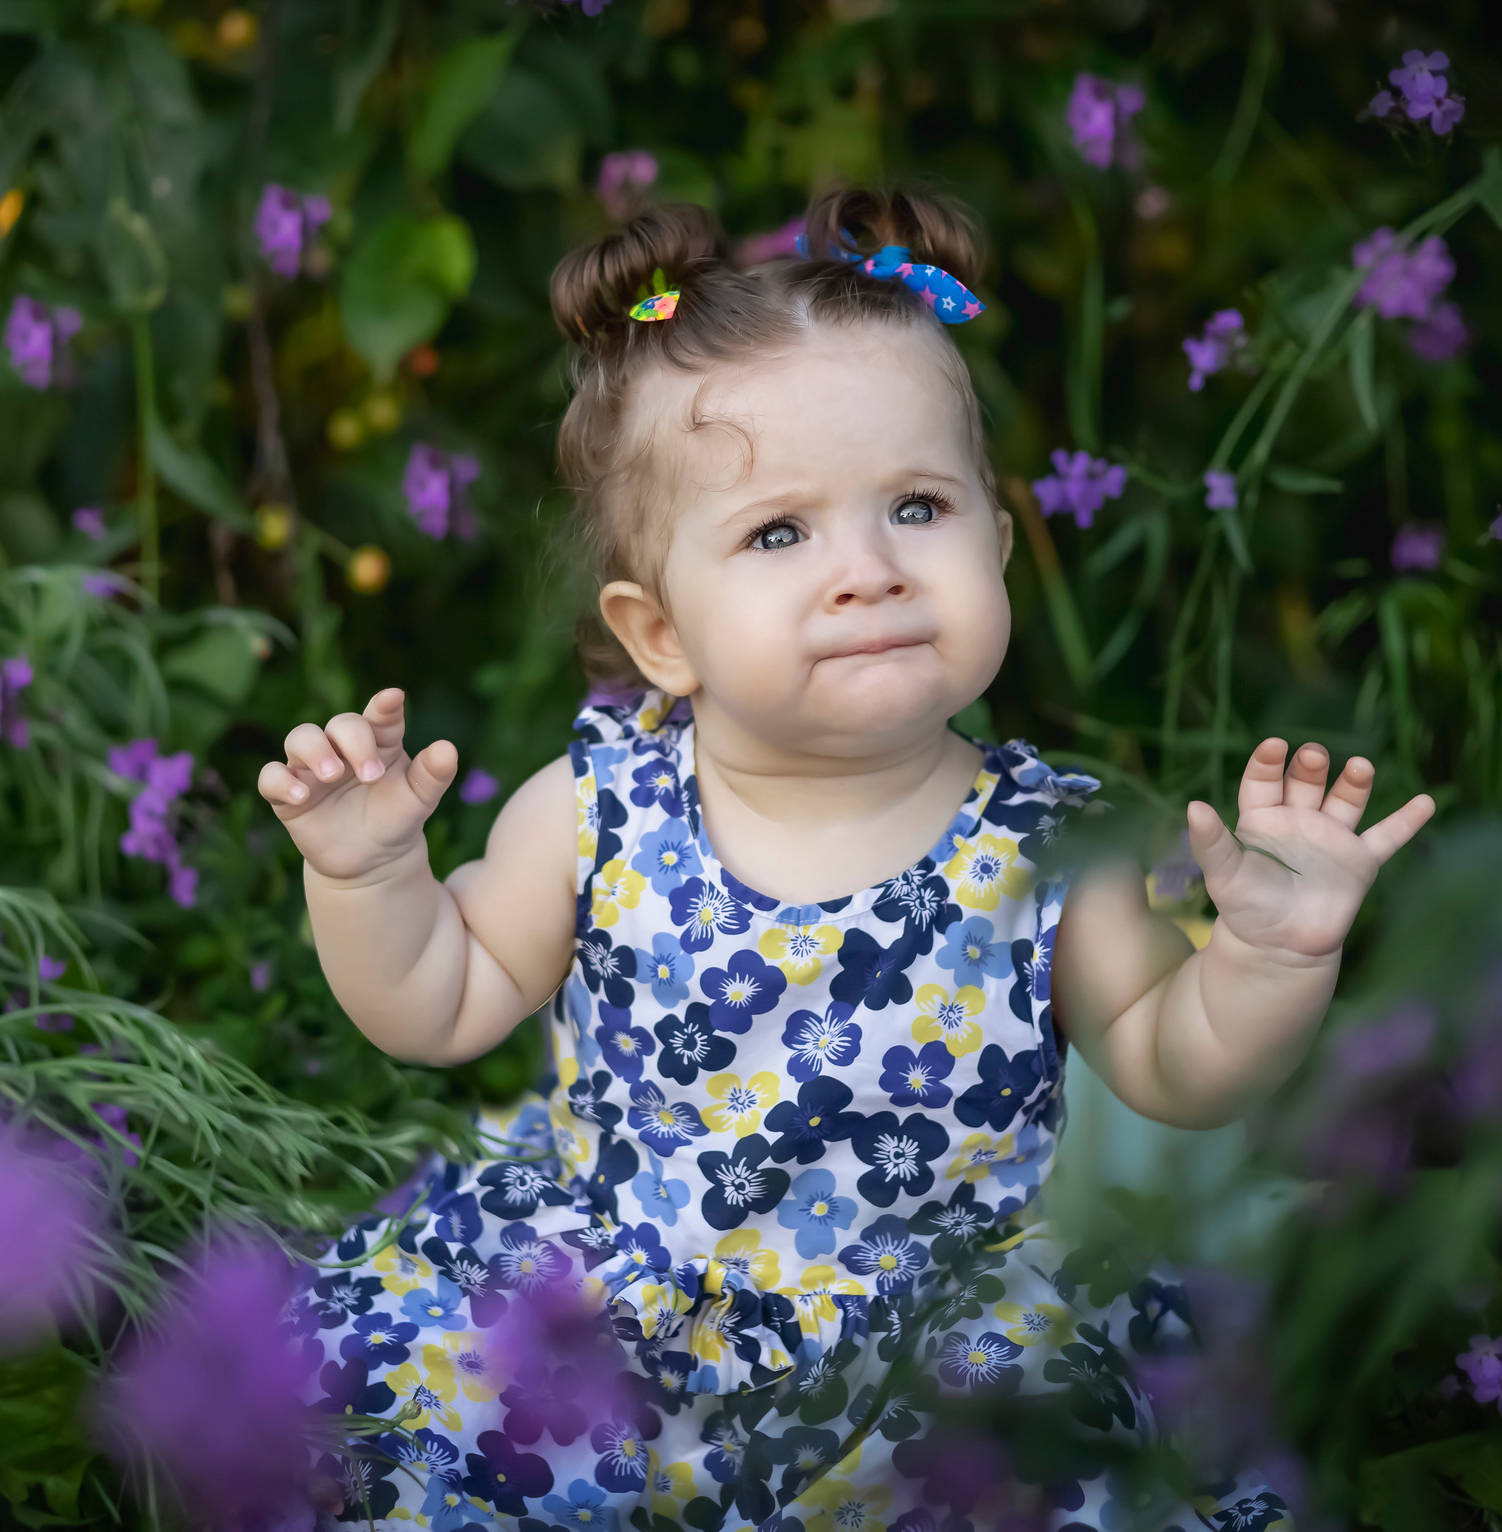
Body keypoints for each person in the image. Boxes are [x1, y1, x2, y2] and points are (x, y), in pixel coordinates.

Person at [255, 188, 1435, 1529]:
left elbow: (1180, 1065)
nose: (867, 570)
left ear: (995, 545)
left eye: (918, 508)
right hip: (616, 1305)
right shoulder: (600, 809)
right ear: (661, 636)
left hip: (938, 1344)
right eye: (779, 532)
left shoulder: (1053, 841)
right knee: (466, 1443)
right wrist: (364, 879)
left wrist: (1273, 952)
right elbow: (439, 1000)